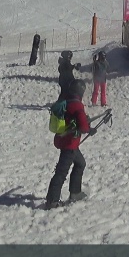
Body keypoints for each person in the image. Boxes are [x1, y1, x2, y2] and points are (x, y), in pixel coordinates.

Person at [44, 79, 94, 210]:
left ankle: (75, 193)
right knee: (61, 172)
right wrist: (89, 128)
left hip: (65, 141)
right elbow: (83, 127)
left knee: (80, 163)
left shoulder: (66, 101)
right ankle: (52, 201)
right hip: (69, 144)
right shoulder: (77, 105)